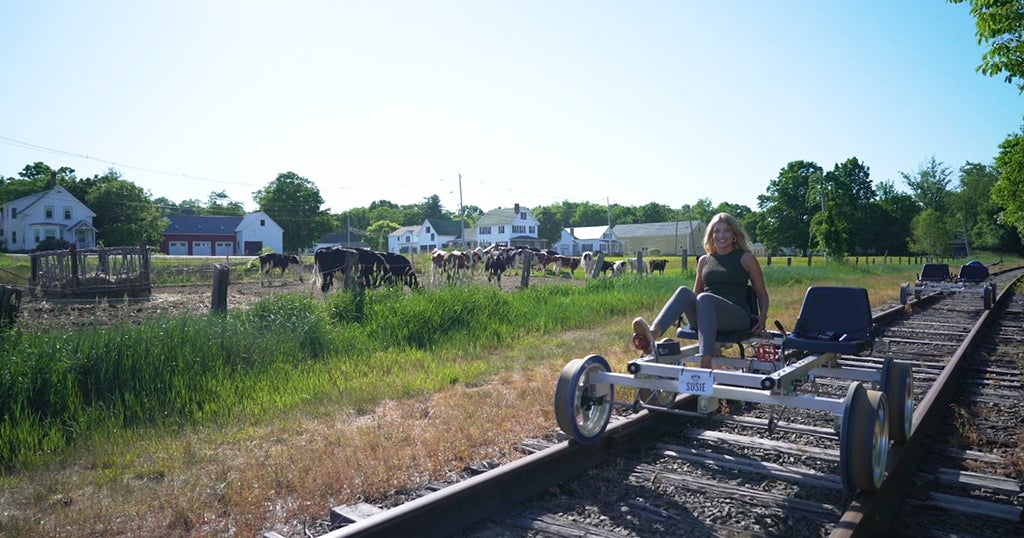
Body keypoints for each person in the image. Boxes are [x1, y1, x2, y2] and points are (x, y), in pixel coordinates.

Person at [631, 212, 769, 369]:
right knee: (684, 291)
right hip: (705, 316)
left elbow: (762, 294)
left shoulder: (746, 258)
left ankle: (705, 361)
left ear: (734, 235)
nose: (721, 235)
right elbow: (695, 295)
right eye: (717, 231)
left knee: (705, 298)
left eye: (726, 231)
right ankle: (652, 335)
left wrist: (763, 316)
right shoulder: (704, 260)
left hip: (736, 317)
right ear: (711, 235)